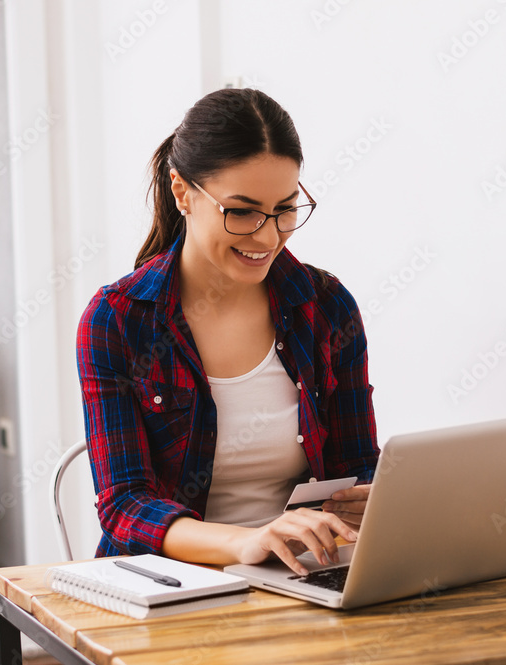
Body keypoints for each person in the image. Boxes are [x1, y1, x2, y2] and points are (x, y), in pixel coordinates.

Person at [76, 88, 379, 576]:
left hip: (305, 575)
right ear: (182, 192)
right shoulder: (117, 321)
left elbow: (358, 461)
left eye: (285, 209)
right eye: (241, 211)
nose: (266, 236)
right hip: (172, 583)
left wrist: (374, 498)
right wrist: (248, 543)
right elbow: (125, 505)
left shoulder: (327, 306)